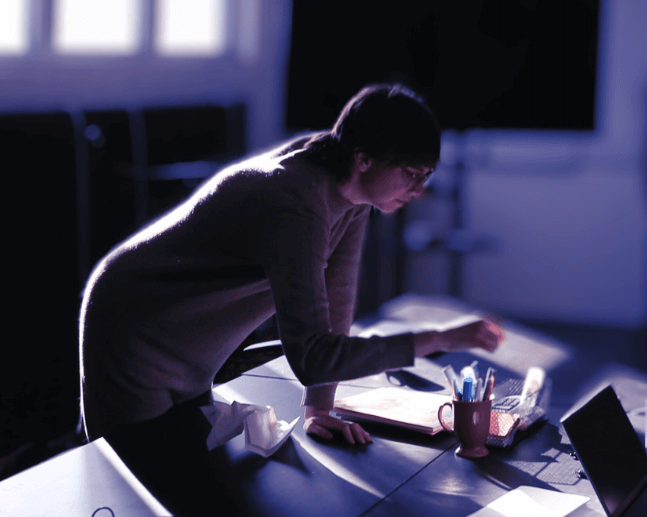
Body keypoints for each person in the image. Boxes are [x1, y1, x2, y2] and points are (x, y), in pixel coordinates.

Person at [78, 84, 504, 487]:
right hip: (136, 329)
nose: (419, 189)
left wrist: (319, 406)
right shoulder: (294, 203)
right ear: (364, 159)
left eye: (426, 174)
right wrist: (442, 338)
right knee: (134, 490)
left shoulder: (348, 188)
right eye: (411, 173)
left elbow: (335, 302)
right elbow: (314, 356)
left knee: (187, 483)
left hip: (188, 343)